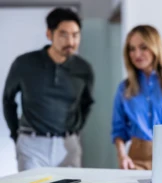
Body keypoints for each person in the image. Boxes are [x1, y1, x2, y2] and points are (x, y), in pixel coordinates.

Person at [3, 7, 94, 171]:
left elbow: (86, 103)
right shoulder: (24, 63)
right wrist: (15, 135)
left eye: (75, 35)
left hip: (68, 145)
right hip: (32, 145)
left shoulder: (84, 69)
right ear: (49, 34)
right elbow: (8, 100)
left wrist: (75, 130)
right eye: (63, 34)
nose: (71, 42)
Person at [111, 25, 162, 170]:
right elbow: (119, 129)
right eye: (132, 49)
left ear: (155, 47)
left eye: (143, 47)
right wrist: (122, 156)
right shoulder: (124, 88)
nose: (136, 54)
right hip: (136, 158)